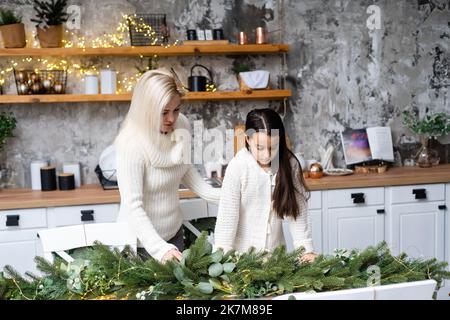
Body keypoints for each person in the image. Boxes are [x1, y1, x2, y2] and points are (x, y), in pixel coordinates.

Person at [115, 69, 220, 263]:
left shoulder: (182, 125)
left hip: (174, 238)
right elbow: (133, 207)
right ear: (147, 110)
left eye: (176, 109)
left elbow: (185, 168)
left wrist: (222, 196)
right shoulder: (130, 144)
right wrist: (159, 249)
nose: (172, 119)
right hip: (140, 245)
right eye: (164, 112)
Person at [214, 108, 317, 262]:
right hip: (241, 262)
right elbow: (227, 220)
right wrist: (222, 261)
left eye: (273, 147)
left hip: (277, 261)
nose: (267, 155)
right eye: (260, 148)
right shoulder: (238, 166)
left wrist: (306, 250)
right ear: (248, 140)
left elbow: (298, 212)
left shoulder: (290, 164)